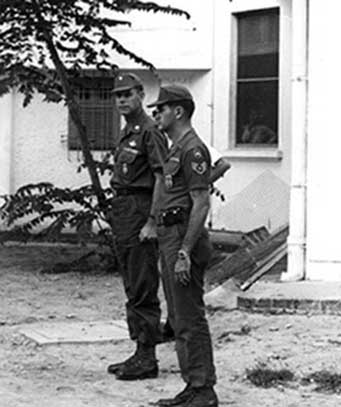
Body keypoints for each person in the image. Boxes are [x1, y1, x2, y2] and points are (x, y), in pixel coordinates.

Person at [149, 85, 218, 407]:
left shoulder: (193, 149)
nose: (157, 115)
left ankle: (203, 389)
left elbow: (201, 203)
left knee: (189, 317)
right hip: (170, 235)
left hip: (181, 238)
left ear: (178, 111)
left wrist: (184, 252)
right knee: (178, 317)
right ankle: (193, 385)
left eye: (161, 109)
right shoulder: (177, 148)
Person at [107, 73, 167, 381]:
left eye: (127, 94)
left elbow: (160, 177)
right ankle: (139, 349)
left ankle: (148, 357)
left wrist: (153, 221)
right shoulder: (127, 131)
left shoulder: (149, 132)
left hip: (141, 209)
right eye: (117, 95)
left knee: (143, 281)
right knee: (132, 280)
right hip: (124, 209)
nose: (121, 100)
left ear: (141, 94)